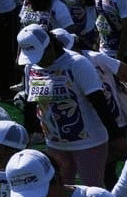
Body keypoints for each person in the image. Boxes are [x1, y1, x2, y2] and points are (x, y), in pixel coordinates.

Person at [16, 25, 114, 187]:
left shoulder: (77, 63)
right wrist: (29, 131)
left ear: (50, 46)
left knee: (93, 189)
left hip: (89, 141)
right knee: (59, 189)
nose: (38, 61)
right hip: (55, 142)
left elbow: (98, 101)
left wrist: (115, 136)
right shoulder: (31, 67)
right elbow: (31, 101)